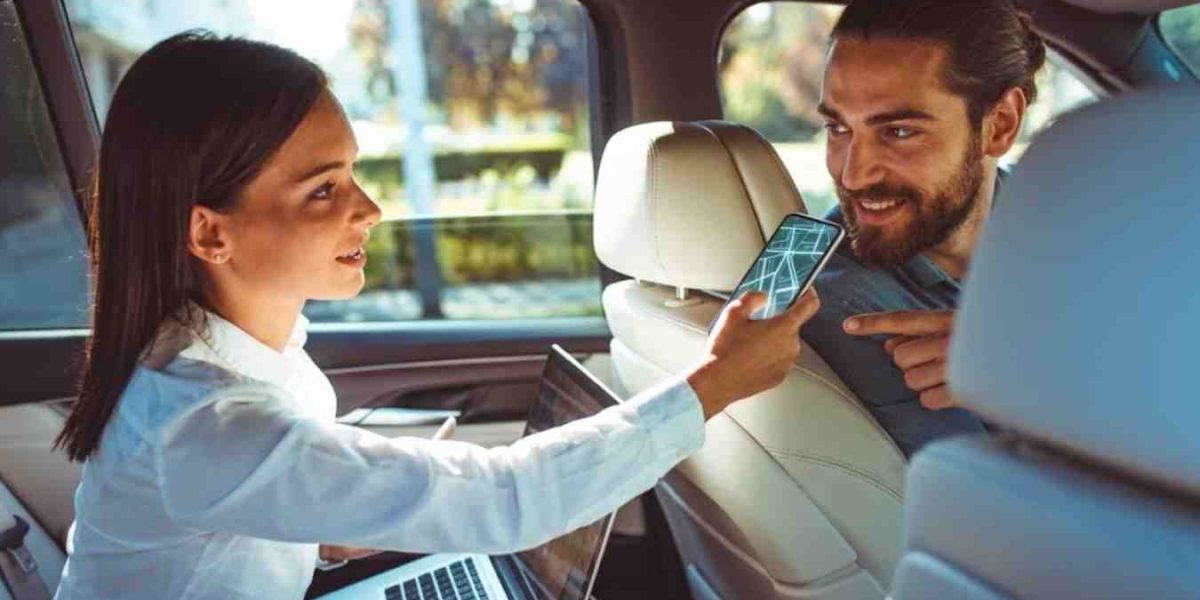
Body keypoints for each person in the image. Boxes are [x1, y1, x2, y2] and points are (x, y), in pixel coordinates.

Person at [52, 32, 819, 600]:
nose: (370, 210)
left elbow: (228, 527)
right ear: (210, 233)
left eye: (353, 174)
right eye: (323, 190)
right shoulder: (207, 422)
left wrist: (330, 533)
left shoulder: (239, 355)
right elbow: (508, 500)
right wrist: (715, 382)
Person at [800, 0, 1045, 456]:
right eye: (838, 128)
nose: (853, 175)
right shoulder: (831, 301)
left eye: (897, 132)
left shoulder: (1083, 226)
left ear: (999, 125)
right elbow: (989, 499)